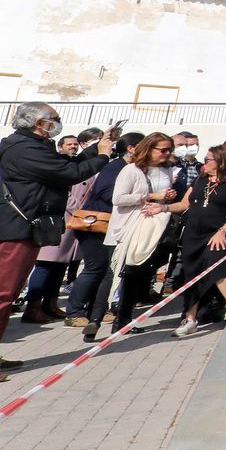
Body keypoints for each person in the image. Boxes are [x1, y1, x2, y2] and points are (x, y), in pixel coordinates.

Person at [0, 104, 113, 373]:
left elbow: (64, 164)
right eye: (54, 120)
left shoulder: (33, 146)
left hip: (24, 228)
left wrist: (95, 149)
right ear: (38, 123)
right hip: (16, 229)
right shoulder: (24, 148)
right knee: (4, 294)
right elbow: (69, 174)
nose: (58, 124)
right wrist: (103, 157)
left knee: (8, 292)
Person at [97, 133, 179, 340]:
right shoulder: (131, 170)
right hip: (128, 230)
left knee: (140, 276)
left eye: (170, 150)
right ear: (149, 149)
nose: (167, 154)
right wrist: (150, 196)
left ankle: (124, 318)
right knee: (121, 274)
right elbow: (118, 198)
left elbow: (164, 196)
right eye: (163, 150)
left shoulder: (167, 170)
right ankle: (103, 319)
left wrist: (167, 199)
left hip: (153, 230)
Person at [164, 145, 226, 337]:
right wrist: (163, 209)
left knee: (216, 263)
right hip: (193, 233)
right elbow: (184, 204)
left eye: (208, 159)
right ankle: (190, 318)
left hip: (217, 232)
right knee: (191, 274)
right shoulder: (201, 179)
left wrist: (223, 230)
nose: (204, 163)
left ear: (221, 161)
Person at [63, 131, 143, 328]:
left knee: (106, 270)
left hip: (111, 225)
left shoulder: (131, 167)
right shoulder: (115, 167)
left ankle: (94, 309)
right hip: (96, 224)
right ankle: (75, 311)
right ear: (131, 148)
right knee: (94, 268)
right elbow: (106, 192)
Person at [19, 134, 86, 324]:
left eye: (75, 144)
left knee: (61, 266)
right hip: (56, 218)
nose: (73, 147)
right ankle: (33, 307)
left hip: (72, 223)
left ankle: (51, 303)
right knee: (45, 265)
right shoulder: (55, 164)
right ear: (60, 147)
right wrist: (80, 208)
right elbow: (63, 192)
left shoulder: (75, 164)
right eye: (69, 144)